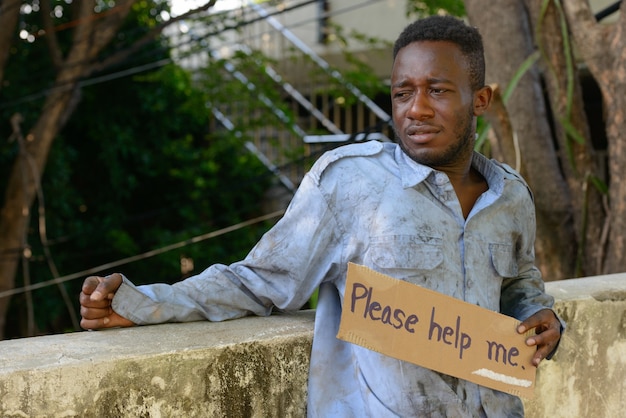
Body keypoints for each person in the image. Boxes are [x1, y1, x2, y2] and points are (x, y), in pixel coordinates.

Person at [80, 15, 563, 417]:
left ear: (480, 100)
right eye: (402, 93)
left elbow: (520, 286)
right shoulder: (349, 183)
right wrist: (142, 305)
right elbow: (258, 281)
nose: (416, 109)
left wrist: (541, 318)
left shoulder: (511, 196)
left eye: (437, 90)